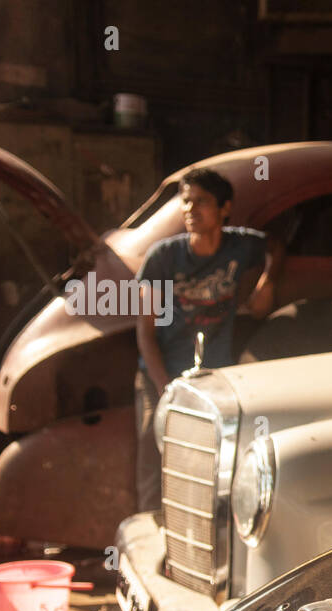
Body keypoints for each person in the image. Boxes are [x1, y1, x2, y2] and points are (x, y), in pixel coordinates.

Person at [133, 168, 283, 511]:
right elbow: (145, 332)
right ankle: (150, 531)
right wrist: (164, 389)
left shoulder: (240, 246)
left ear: (225, 209)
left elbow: (275, 245)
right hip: (161, 371)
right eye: (186, 201)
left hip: (214, 376)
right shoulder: (163, 258)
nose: (190, 209)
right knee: (155, 443)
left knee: (219, 452)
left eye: (202, 201)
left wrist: (266, 282)